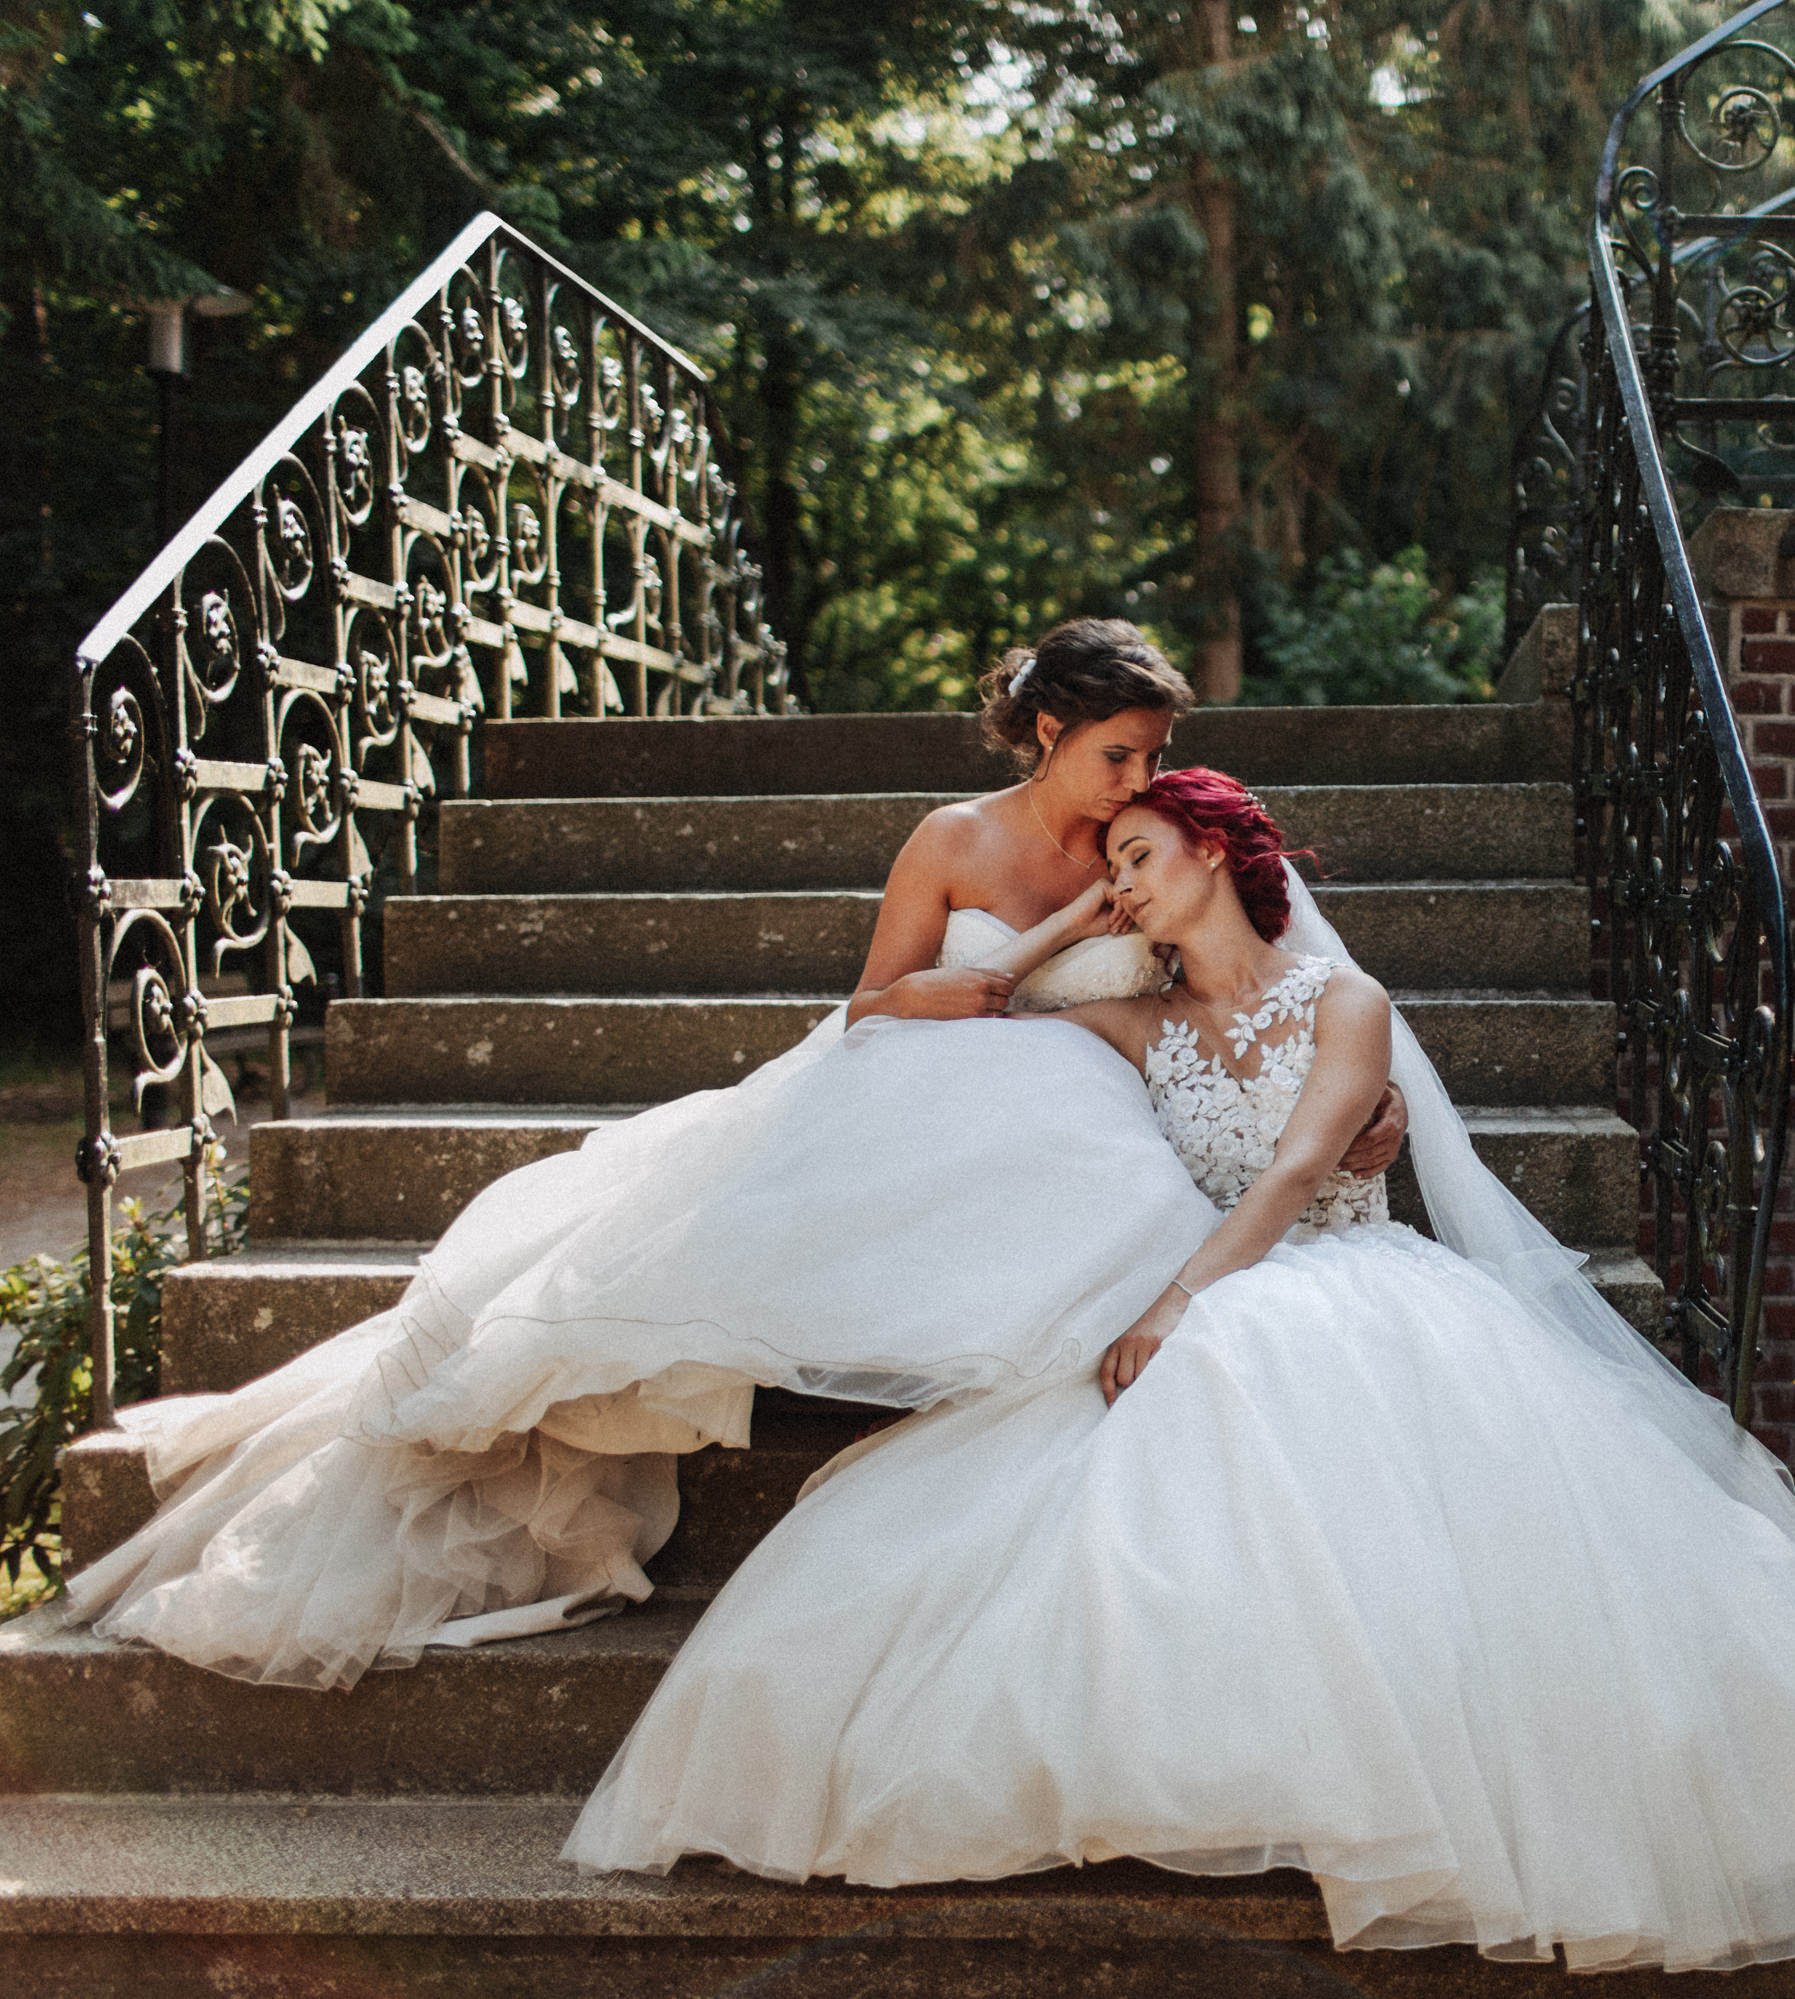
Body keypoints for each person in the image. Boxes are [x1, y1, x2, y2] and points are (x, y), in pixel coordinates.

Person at [563, 771, 1795, 1994]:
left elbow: (1294, 1172)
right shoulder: (1137, 1018)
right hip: (1215, 1289)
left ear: (1221, 850)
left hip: (1337, 1287)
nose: (1128, 886)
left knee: (1260, 1420)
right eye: (1115, 871)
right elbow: (975, 1018)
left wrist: (1171, 1298)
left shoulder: (1344, 1003)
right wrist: (1060, 926)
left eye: (1144, 857)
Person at [40, 619, 1400, 1691]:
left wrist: (1360, 1111)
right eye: (1117, 753)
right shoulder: (955, 839)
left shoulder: (1154, 842)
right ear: (1049, 731)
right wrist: (1038, 951)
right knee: (946, 1115)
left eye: (1153, 757)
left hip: (1074, 1089)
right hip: (928, 1053)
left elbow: (1240, 984)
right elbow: (878, 1004)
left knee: (1067, 1125)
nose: (1138, 780)